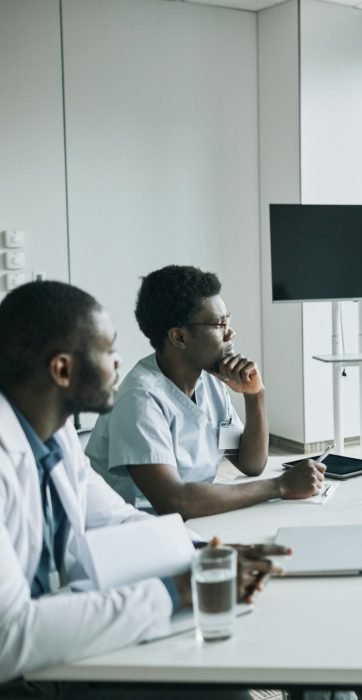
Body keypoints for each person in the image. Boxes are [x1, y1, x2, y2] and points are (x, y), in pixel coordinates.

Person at [0, 281, 285, 686]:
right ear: (62, 369)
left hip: (59, 635)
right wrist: (176, 591)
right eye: (107, 350)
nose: (118, 363)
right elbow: (9, 636)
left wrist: (205, 554)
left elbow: (115, 518)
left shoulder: (56, 435)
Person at [86, 266, 324, 519]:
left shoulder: (208, 381)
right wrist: (280, 485)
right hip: (138, 532)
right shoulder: (140, 398)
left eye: (228, 321)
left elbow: (250, 464)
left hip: (196, 518)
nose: (230, 333)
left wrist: (255, 395)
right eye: (219, 324)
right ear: (179, 337)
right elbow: (175, 501)